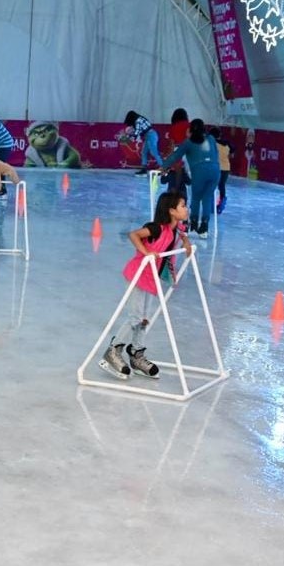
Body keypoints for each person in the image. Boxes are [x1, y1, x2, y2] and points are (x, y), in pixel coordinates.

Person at [100, 192, 192, 380]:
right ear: (172, 211)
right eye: (183, 206)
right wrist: (147, 251)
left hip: (151, 278)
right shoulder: (156, 228)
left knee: (144, 319)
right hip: (138, 274)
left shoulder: (176, 229)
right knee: (134, 316)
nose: (186, 209)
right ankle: (113, 351)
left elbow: (182, 234)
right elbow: (133, 235)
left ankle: (136, 354)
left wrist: (186, 242)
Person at [161, 119, 219, 238]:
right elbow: (216, 154)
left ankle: (193, 224)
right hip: (215, 170)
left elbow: (175, 156)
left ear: (191, 129)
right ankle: (204, 228)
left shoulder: (189, 142)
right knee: (207, 197)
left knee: (196, 198)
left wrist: (162, 167)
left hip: (199, 171)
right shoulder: (211, 139)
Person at [124, 110, 163, 176]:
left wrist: (128, 138)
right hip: (149, 136)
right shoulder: (139, 119)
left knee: (154, 153)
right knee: (144, 152)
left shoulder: (138, 121)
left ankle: (163, 169)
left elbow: (137, 133)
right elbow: (137, 132)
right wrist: (129, 136)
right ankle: (144, 169)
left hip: (151, 136)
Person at [208, 126, 233, 214]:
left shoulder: (212, 143)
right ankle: (221, 205)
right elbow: (231, 155)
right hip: (226, 168)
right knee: (222, 186)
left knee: (212, 186)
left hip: (216, 168)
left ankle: (210, 206)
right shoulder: (227, 144)